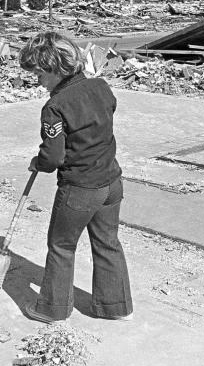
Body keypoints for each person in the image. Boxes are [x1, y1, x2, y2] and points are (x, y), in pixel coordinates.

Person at [18, 31, 133, 323]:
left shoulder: (55, 107)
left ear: (55, 67)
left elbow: (53, 157)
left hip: (80, 188)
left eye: (39, 73)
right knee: (108, 243)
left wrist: (38, 162)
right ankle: (116, 307)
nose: (37, 80)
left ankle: (52, 309)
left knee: (61, 246)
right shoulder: (101, 87)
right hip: (111, 183)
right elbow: (104, 117)